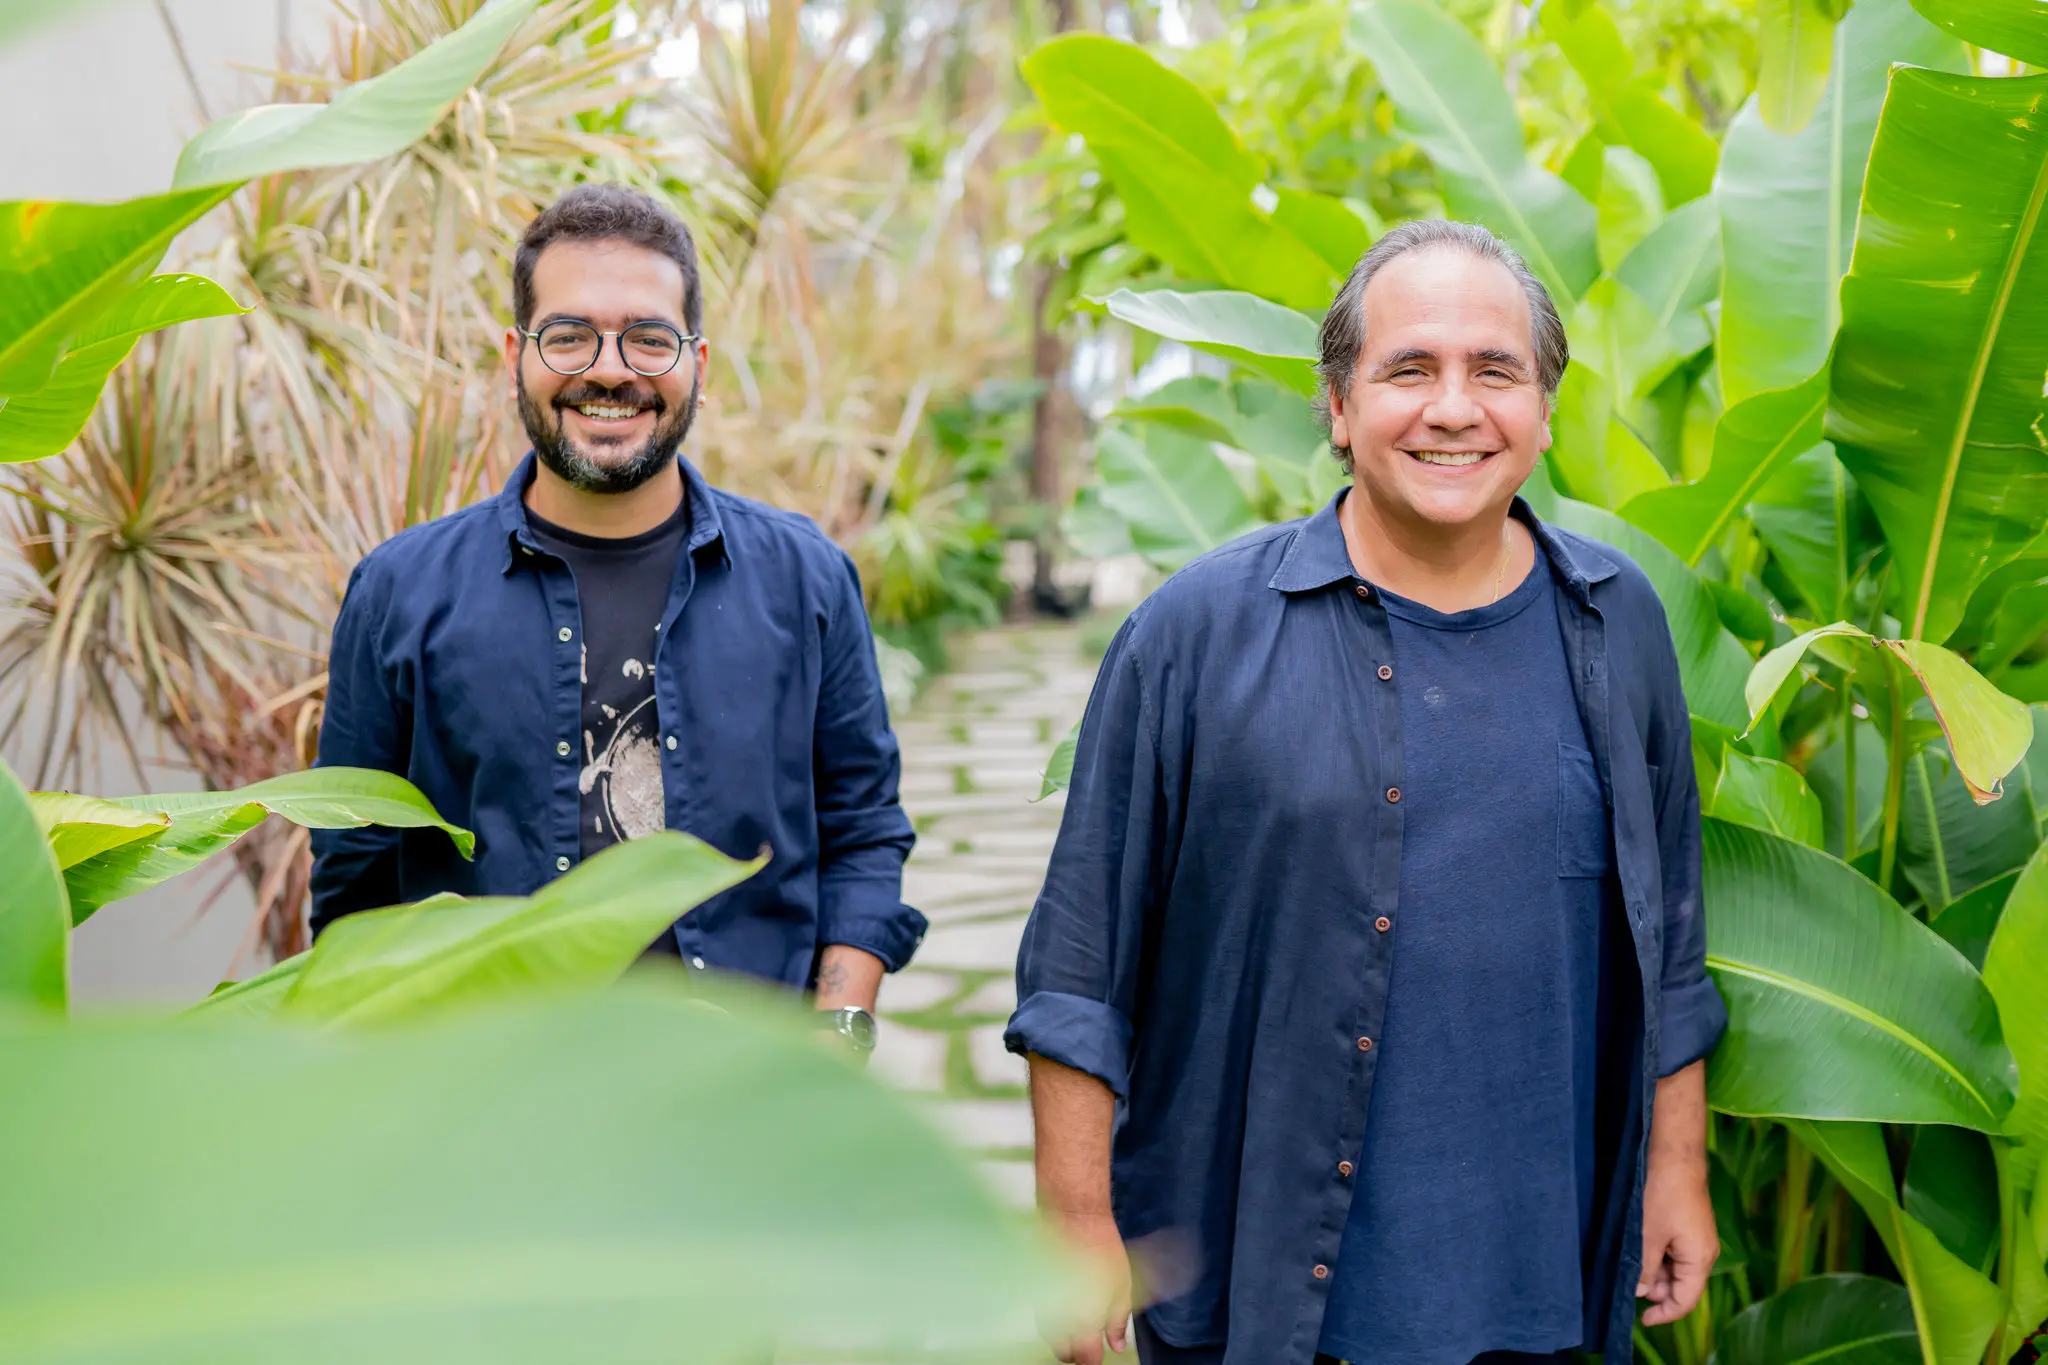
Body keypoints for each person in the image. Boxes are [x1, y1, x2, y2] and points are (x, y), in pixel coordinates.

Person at [1006, 219, 1726, 1365]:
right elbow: (1078, 967)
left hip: (1535, 1280)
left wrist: (1672, 1167)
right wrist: (1075, 1222)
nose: (1452, 408)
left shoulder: (1616, 621)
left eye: (1493, 371)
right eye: (1408, 370)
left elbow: (1668, 931)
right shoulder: (1194, 635)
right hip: (1258, 1287)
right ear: (1338, 408)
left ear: (1542, 410)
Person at [310, 183, 923, 1048]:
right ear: (515, 356)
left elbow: (862, 830)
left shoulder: (806, 580)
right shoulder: (398, 593)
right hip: (485, 1095)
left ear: (698, 364)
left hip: (746, 1090)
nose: (609, 369)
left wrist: (836, 1038)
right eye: (568, 335)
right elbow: (355, 884)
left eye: (649, 338)